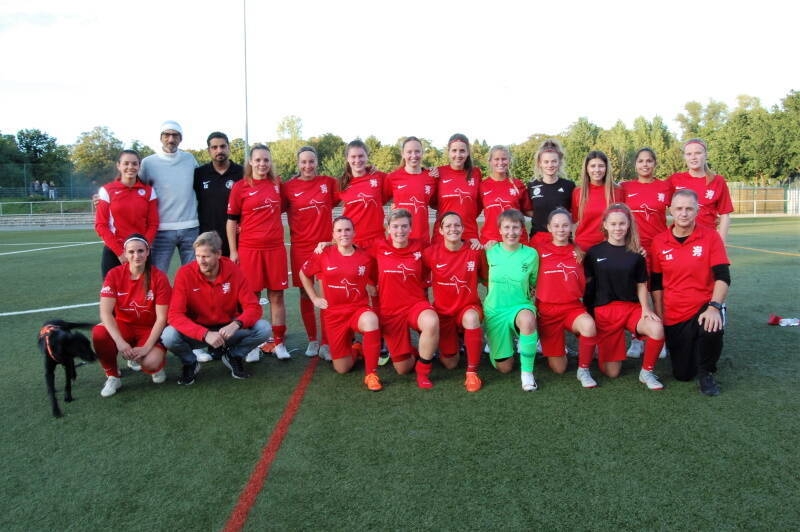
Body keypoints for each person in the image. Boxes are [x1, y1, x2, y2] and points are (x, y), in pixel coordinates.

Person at [650, 189, 730, 396]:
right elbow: (656, 284)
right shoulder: (659, 241)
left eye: (689, 209)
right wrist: (660, 314)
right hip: (675, 312)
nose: (683, 213)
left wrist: (714, 307)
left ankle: (707, 373)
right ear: (671, 210)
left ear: (697, 210)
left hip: (704, 305)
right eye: (679, 209)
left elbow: (723, 277)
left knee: (712, 326)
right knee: (683, 374)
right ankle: (693, 351)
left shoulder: (711, 237)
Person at [162, 231, 270, 384]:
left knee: (264, 328)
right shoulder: (185, 274)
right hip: (198, 331)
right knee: (168, 336)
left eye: (205, 256)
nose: (201, 261)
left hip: (227, 330)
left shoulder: (233, 270)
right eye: (198, 256)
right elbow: (174, 315)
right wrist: (204, 334)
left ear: (218, 254)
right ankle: (190, 362)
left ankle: (234, 355)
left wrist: (236, 324)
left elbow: (253, 307)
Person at [582, 203, 665, 390]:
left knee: (656, 328)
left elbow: (641, 284)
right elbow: (589, 287)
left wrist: (646, 309)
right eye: (613, 224)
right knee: (611, 372)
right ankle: (600, 347)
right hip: (605, 312)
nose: (617, 228)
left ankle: (647, 372)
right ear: (605, 225)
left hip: (631, 309)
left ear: (628, 225)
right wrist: (590, 314)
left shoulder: (637, 253)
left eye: (622, 223)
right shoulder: (594, 253)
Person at [300, 216, 382, 391]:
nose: (344, 233)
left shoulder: (366, 257)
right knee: (342, 368)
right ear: (333, 234)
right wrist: (314, 298)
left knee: (371, 320)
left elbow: (376, 280)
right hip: (334, 314)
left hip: (357, 309)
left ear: (354, 232)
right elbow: (303, 274)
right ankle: (357, 349)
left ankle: (371, 374)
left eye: (347, 230)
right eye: (339, 230)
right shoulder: (323, 253)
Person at [227, 144, 290, 361]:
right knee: (252, 298)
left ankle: (279, 342)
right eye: (258, 160)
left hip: (275, 249)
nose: (262, 164)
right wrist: (233, 250)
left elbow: (286, 206)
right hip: (249, 249)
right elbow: (231, 221)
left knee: (277, 296)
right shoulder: (240, 187)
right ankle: (253, 344)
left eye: (266, 160)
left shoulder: (277, 184)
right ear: (250, 162)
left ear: (270, 162)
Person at [92, 234, 171, 397]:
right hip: (125, 327)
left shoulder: (159, 277)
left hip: (149, 328)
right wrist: (120, 342)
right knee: (99, 333)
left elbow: (162, 318)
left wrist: (146, 347)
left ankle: (152, 362)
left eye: (141, 251)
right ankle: (113, 376)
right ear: (125, 253)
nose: (136, 256)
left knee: (151, 363)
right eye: (131, 252)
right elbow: (105, 313)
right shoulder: (114, 274)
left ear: (148, 252)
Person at [370, 209, 439, 389]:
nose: (399, 231)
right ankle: (415, 352)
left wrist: (472, 243)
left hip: (415, 304)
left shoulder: (421, 246)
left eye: (404, 226)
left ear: (410, 228)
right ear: (388, 228)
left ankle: (423, 372)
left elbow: (446, 251)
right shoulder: (378, 246)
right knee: (402, 368)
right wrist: (327, 243)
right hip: (390, 311)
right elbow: (354, 253)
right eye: (395, 226)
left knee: (431, 321)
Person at [282, 146, 339, 359]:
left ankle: (326, 342)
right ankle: (313, 340)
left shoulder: (328, 183)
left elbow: (348, 187)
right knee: (305, 293)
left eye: (311, 161)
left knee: (326, 293)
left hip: (325, 247)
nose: (308, 166)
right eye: (303, 162)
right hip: (301, 247)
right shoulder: (288, 187)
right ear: (298, 164)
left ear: (317, 162)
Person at [422, 212, 487, 392]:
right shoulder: (430, 253)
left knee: (471, 319)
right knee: (450, 363)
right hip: (443, 313)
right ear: (441, 230)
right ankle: (459, 339)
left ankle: (472, 373)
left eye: (457, 225)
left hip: (468, 307)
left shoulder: (475, 251)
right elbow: (419, 277)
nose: (453, 229)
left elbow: (487, 279)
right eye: (448, 226)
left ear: (463, 228)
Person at [534, 208, 597, 378]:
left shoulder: (580, 252)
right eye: (556, 226)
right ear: (549, 227)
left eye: (565, 225)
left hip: (572, 307)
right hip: (547, 311)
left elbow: (593, 274)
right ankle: (558, 347)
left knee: (588, 325)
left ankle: (584, 370)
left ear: (571, 227)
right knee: (559, 369)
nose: (560, 229)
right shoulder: (539, 250)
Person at [621, 147, 671, 358]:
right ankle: (637, 338)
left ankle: (661, 339)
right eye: (641, 161)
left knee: (658, 295)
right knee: (635, 294)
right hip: (634, 249)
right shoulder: (625, 187)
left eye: (649, 160)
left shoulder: (665, 186)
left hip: (659, 249)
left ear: (655, 163)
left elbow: (680, 209)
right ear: (635, 164)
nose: (645, 164)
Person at [483, 209, 540, 391]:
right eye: (506, 227)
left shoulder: (531, 254)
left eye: (515, 227)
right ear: (499, 230)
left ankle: (527, 374)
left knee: (527, 319)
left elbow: (534, 283)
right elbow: (480, 275)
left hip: (520, 306)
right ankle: (497, 341)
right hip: (495, 311)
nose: (511, 232)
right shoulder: (490, 251)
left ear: (522, 229)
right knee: (504, 368)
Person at [139, 120, 199, 274]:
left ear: (181, 138)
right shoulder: (148, 163)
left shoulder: (190, 159)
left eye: (175, 135)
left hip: (190, 228)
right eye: (167, 135)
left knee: (193, 276)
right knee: (157, 276)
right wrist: (106, 195)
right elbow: (134, 188)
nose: (171, 139)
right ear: (161, 137)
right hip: (161, 230)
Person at [95, 150, 159, 278]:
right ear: (118, 165)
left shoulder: (148, 191)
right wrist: (120, 252)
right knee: (113, 290)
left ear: (139, 166)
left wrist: (142, 248)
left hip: (140, 253)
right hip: (115, 253)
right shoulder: (107, 190)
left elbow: (153, 224)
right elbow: (100, 225)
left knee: (144, 290)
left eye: (134, 164)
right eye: (126, 163)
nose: (130, 167)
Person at [668, 138, 734, 243]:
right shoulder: (675, 179)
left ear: (706, 155)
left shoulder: (718, 181)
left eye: (698, 153)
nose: (693, 157)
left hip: (707, 240)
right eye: (689, 154)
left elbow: (725, 214)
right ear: (684, 157)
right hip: (680, 240)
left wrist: (720, 242)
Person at [193, 131, 243, 257]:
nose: (219, 150)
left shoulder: (242, 173)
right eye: (214, 147)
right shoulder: (199, 173)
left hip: (236, 236)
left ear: (229, 147)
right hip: (208, 237)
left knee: (235, 269)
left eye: (222, 146)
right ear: (208, 150)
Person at [384, 136, 436, 245]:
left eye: (417, 151)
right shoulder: (392, 177)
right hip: (398, 239)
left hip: (421, 239)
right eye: (409, 152)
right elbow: (381, 199)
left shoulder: (431, 177)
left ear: (422, 153)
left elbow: (436, 203)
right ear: (403, 154)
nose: (414, 155)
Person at [433, 133, 482, 248]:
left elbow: (479, 203)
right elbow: (431, 201)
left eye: (462, 151)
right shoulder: (438, 172)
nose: (458, 155)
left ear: (468, 152)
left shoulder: (476, 173)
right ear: (448, 152)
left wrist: (467, 218)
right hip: (443, 234)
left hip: (469, 234)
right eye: (454, 150)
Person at [526, 139, 575, 249]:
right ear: (540, 163)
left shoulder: (569, 186)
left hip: (562, 239)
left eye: (554, 161)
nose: (550, 165)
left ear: (559, 162)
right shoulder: (532, 186)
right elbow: (528, 210)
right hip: (538, 239)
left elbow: (574, 214)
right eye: (546, 162)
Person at [339, 139, 388, 249]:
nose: (357, 160)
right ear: (347, 158)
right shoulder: (341, 183)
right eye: (353, 157)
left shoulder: (379, 177)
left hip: (377, 240)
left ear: (367, 156)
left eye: (361, 156)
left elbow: (400, 184)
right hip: (352, 241)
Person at [479, 145, 531, 247]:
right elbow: (472, 211)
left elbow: (529, 211)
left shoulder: (518, 184)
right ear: (490, 161)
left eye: (504, 159)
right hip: (491, 241)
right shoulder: (482, 186)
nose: (500, 162)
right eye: (496, 159)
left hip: (516, 240)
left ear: (509, 161)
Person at [572, 150, 622, 252]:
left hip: (610, 247)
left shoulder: (617, 191)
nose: (597, 169)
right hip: (583, 248)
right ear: (587, 169)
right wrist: (574, 246)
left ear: (606, 168)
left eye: (601, 166)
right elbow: (574, 222)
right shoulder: (578, 192)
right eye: (593, 166)